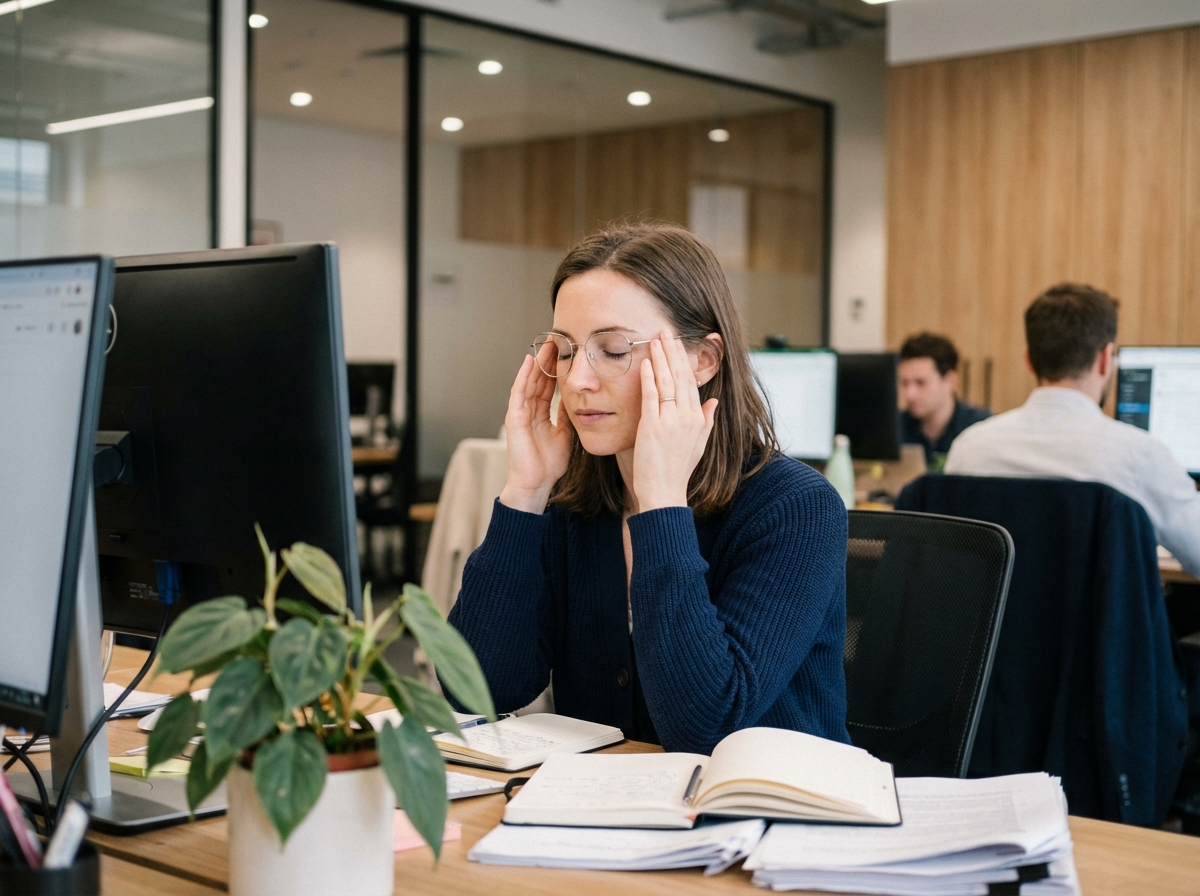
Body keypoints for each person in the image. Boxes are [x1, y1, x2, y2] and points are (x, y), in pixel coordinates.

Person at [446, 222, 850, 755]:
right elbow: (476, 691)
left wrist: (661, 502)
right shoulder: (575, 502)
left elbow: (704, 728)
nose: (578, 381)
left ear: (703, 360)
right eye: (565, 351)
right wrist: (526, 491)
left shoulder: (795, 508)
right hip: (608, 817)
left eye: (613, 350)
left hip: (761, 823)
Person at [945, 283, 1200, 578]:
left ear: (1028, 360)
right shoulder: (1139, 456)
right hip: (1100, 626)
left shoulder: (969, 448)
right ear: (1106, 359)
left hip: (996, 625)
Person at [898, 332, 990, 470]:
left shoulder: (980, 428)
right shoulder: (895, 429)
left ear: (950, 381)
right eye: (905, 383)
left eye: (920, 383)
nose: (910, 394)